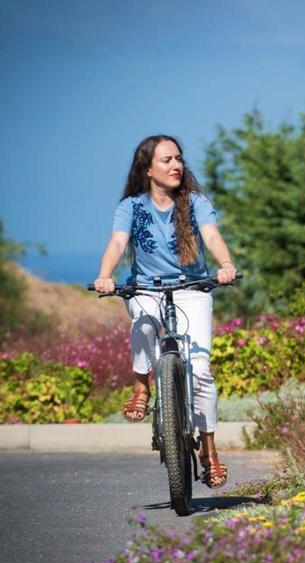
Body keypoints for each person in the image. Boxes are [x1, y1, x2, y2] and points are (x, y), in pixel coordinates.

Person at [94, 135, 236, 488]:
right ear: (148, 170)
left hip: (192, 289)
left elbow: (213, 236)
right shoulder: (131, 207)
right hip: (146, 287)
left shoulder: (196, 203)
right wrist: (105, 275)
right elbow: (117, 243)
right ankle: (142, 386)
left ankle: (210, 451)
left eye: (179, 159)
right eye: (166, 160)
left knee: (200, 368)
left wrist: (226, 264)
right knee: (143, 322)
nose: (176, 165)